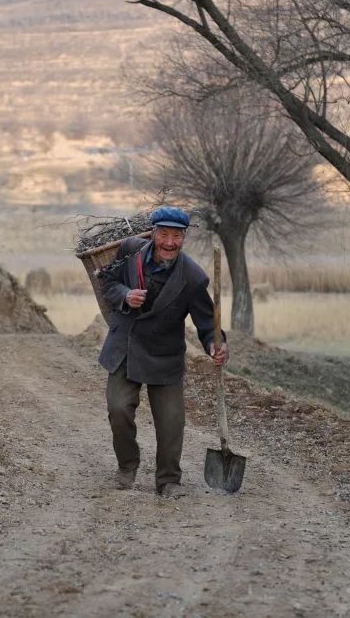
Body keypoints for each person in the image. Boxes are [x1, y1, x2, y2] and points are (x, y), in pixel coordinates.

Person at [97, 206, 229, 498]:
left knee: (171, 421)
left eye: (177, 236)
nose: (170, 242)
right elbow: (108, 282)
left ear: (184, 238)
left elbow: (208, 322)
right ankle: (127, 466)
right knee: (118, 409)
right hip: (126, 346)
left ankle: (168, 480)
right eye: (164, 234)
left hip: (163, 354)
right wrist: (125, 295)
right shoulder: (130, 250)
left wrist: (214, 344)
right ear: (153, 233)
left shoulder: (193, 278)